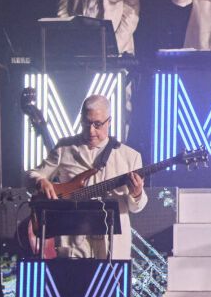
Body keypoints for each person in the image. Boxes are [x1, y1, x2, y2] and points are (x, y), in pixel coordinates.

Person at [28, 95, 146, 261]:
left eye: (97, 124)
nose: (91, 130)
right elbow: (33, 174)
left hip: (112, 247)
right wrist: (41, 181)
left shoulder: (130, 156)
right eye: (86, 123)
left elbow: (137, 208)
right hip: (73, 246)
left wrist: (137, 194)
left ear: (109, 121)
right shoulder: (65, 148)